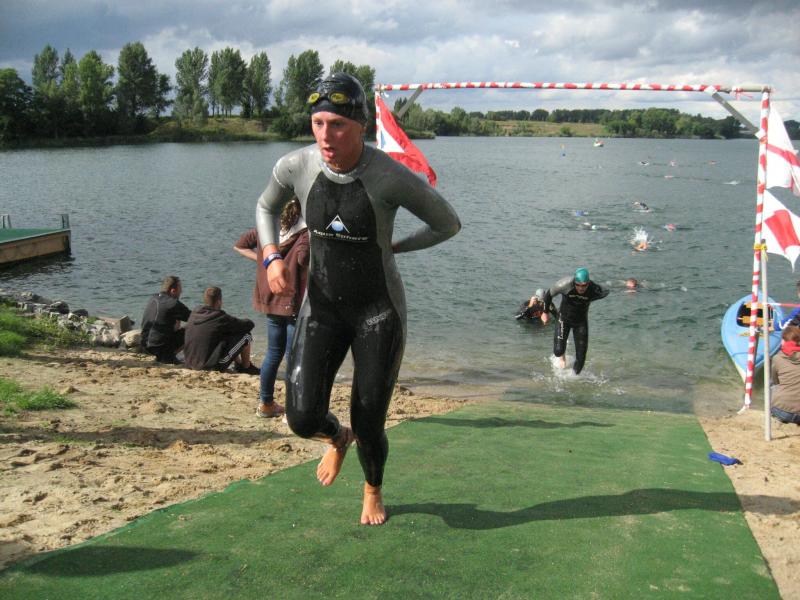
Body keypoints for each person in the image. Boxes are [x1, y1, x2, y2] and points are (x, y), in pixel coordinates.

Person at [255, 72, 460, 525]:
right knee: (301, 418)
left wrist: (399, 246)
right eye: (318, 123)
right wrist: (271, 257)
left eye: (338, 125)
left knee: (370, 422)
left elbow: (447, 223)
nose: (326, 136)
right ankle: (336, 437)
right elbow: (266, 206)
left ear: (361, 126)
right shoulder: (296, 166)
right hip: (322, 308)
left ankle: (372, 490)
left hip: (378, 313)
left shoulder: (389, 176)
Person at [234, 198, 310, 418]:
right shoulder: (305, 233)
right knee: (294, 357)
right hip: (293, 302)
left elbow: (239, 245)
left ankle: (266, 404)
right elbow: (303, 258)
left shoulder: (266, 229)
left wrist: (264, 261)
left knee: (273, 353)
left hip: (271, 299)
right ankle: (292, 411)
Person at [541, 267, 609, 374]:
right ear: (574, 282)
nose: (581, 288)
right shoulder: (564, 284)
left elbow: (606, 291)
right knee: (558, 351)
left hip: (580, 322)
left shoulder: (594, 289)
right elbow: (548, 294)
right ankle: (562, 356)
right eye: (578, 285)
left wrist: (592, 298)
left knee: (581, 358)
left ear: (588, 283)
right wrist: (545, 312)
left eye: (584, 285)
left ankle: (573, 377)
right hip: (563, 318)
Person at [183, 286, 259, 374]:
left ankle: (238, 364)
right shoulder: (219, 317)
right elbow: (249, 325)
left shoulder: (194, 313)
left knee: (226, 333)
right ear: (219, 302)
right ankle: (246, 367)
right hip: (209, 367)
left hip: (189, 363)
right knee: (246, 336)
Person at [140, 275, 191, 364]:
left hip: (144, 346)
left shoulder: (153, 298)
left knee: (172, 319)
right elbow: (195, 318)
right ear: (173, 290)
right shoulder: (173, 303)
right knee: (192, 327)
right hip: (160, 349)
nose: (181, 292)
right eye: (180, 290)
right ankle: (171, 356)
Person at [770, 325, 800, 425]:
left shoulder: (777, 358)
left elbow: (776, 381)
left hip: (781, 412)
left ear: (783, 341)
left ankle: (774, 416)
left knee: (771, 385)